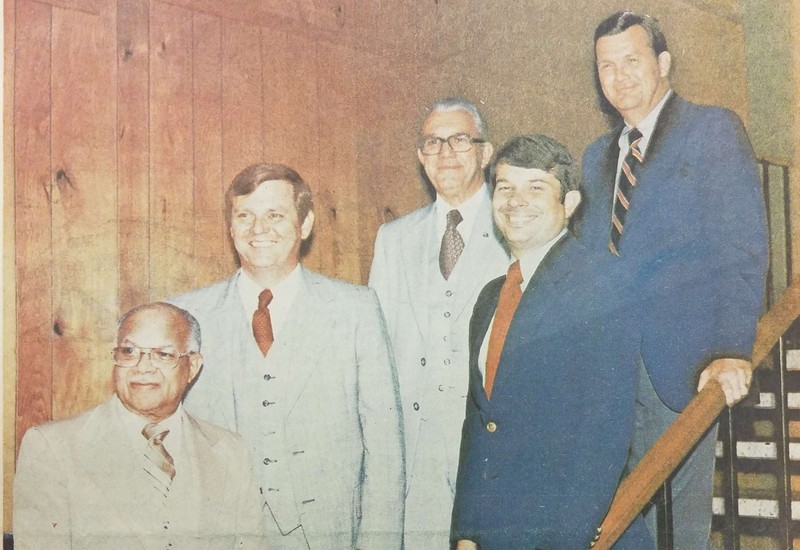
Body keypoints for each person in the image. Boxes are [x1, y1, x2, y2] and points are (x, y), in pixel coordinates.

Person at [580, 11, 769, 548]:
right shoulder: (597, 157)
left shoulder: (712, 129)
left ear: (663, 63)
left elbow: (740, 248)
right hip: (610, 373)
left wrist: (733, 348)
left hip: (680, 366)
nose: (619, 76)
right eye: (606, 66)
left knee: (677, 530)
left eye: (632, 61)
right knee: (620, 522)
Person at [169, 162, 404, 549]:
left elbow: (385, 452)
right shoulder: (187, 316)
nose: (259, 229)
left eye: (275, 215)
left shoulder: (354, 309)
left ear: (305, 224)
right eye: (245, 216)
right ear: (230, 228)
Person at [451, 134, 651, 549]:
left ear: (571, 203)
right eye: (504, 187)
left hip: (566, 535)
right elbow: (481, 424)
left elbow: (603, 431)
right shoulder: (491, 296)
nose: (515, 201)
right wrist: (468, 533)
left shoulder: (599, 283)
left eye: (535, 188)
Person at [369, 97, 510, 547]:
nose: (446, 152)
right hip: (414, 456)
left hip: (487, 453)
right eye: (434, 142)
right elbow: (379, 348)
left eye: (460, 140)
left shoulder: (516, 230)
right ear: (420, 157)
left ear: (486, 153)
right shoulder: (393, 239)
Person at [13, 302, 265, 549]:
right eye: (129, 352)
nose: (142, 367)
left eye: (163, 355)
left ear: (193, 367)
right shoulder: (53, 448)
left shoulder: (232, 452)